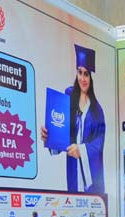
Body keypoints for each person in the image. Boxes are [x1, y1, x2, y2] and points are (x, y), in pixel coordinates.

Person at [40, 44, 105, 193]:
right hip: (73, 171)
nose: (82, 78)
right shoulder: (69, 99)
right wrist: (49, 136)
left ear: (91, 78)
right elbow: (62, 129)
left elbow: (99, 143)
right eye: (79, 72)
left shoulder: (97, 111)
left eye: (86, 74)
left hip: (91, 180)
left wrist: (81, 150)